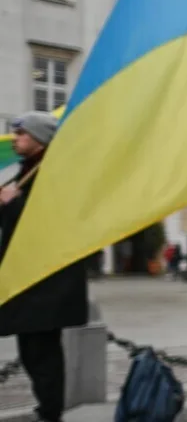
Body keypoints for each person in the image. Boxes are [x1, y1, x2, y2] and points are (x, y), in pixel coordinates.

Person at [0, 111, 89, 422]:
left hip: (47, 280)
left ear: (39, 139)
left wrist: (12, 203)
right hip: (33, 279)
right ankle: (47, 410)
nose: (15, 139)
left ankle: (49, 414)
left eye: (22, 134)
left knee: (42, 352)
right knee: (33, 350)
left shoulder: (55, 171)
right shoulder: (29, 169)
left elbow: (50, 222)